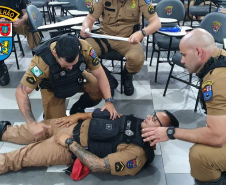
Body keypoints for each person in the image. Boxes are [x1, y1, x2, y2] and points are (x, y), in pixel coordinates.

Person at [142, 28, 226, 185]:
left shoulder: (215, 81)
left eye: (184, 55)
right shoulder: (220, 57)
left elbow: (217, 137)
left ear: (199, 52)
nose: (181, 60)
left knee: (200, 155)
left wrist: (170, 132)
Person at [0, 108, 179, 176]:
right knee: (27, 130)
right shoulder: (138, 122)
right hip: (74, 125)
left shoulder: (137, 154)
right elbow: (106, 116)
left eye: (155, 119)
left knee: (19, 157)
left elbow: (98, 165)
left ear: (162, 132)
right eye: (153, 114)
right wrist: (78, 116)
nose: (149, 116)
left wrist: (69, 142)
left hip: (68, 146)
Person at [15, 34, 119, 140]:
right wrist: (31, 123)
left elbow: (100, 74)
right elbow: (21, 92)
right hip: (53, 88)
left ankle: (77, 108)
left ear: (78, 50)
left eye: (74, 64)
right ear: (55, 54)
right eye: (65, 65)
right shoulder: (41, 62)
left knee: (98, 89)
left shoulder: (85, 48)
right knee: (57, 127)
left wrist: (109, 101)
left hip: (77, 78)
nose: (70, 68)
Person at [80, 0, 161, 96]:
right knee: (81, 52)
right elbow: (90, 18)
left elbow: (157, 23)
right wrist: (86, 27)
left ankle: (127, 75)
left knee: (137, 58)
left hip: (128, 39)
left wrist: (142, 32)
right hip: (104, 36)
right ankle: (107, 79)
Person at [0, 0, 41, 86]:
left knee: (31, 28)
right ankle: (2, 66)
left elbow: (28, 11)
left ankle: (39, 62)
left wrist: (22, 20)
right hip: (2, 25)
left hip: (17, 23)